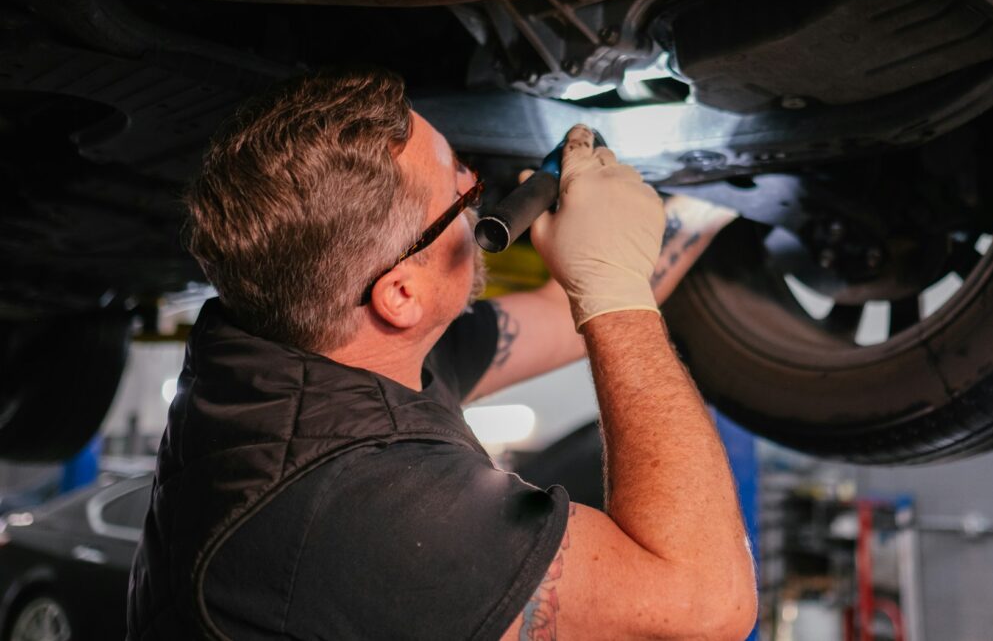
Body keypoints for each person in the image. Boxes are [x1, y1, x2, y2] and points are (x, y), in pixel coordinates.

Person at [127, 67, 757, 640]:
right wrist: (614, 290)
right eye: (462, 195)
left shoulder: (300, 351)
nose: (478, 192)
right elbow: (703, 606)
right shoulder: (363, 510)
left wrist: (707, 205)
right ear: (400, 293)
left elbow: (560, 321)